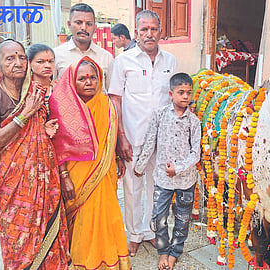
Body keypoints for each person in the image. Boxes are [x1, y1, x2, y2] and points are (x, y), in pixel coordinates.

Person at [0, 39, 71, 269]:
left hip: (43, 178)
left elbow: (40, 130)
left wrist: (43, 128)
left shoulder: (35, 91)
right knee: (16, 235)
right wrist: (25, 115)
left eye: (21, 57)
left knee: (48, 231)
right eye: (10, 58)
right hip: (11, 182)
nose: (18, 62)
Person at [49, 56, 131, 270]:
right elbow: (58, 145)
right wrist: (64, 176)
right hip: (75, 176)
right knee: (82, 219)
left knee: (106, 215)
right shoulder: (62, 106)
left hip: (104, 174)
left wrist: (115, 157)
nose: (89, 82)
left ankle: (108, 260)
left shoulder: (107, 104)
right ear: (71, 81)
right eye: (82, 78)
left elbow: (110, 136)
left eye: (93, 77)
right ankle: (81, 262)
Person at [108, 9, 178, 257]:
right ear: (136, 32)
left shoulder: (170, 61)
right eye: (144, 29)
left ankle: (152, 232)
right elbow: (115, 99)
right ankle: (134, 234)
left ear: (161, 32)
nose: (149, 34)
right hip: (133, 137)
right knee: (132, 186)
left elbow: (173, 100)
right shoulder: (123, 61)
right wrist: (121, 136)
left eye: (154, 29)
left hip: (162, 139)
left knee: (157, 188)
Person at [134, 73, 200, 270]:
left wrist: (178, 168)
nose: (185, 96)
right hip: (162, 179)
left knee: (182, 219)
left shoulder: (194, 121)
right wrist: (139, 166)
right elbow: (150, 142)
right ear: (171, 94)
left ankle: (174, 253)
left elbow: (196, 152)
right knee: (159, 218)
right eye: (181, 92)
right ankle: (163, 251)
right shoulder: (160, 114)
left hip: (186, 180)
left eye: (189, 92)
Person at [54, 3, 113, 91]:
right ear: (69, 25)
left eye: (89, 24)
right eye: (78, 23)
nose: (83, 28)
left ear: (95, 27)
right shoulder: (56, 55)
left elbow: (111, 93)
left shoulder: (106, 57)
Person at [27, 44, 56, 110]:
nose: (47, 66)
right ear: (29, 64)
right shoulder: (25, 90)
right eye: (40, 62)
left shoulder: (59, 89)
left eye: (51, 61)